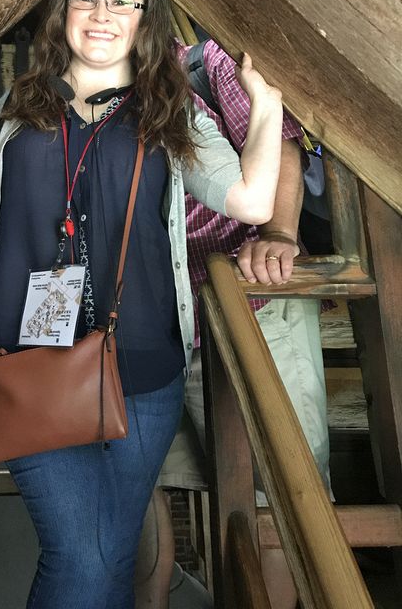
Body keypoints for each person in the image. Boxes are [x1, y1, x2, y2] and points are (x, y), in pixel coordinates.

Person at [0, 0, 283, 609]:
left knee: (110, 555)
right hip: (30, 364)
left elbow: (252, 202)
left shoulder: (173, 113)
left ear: (145, 18)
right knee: (82, 556)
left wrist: (267, 109)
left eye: (122, 0)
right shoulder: (19, 107)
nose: (102, 13)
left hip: (144, 372)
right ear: (63, 12)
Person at [135, 39, 331, 609]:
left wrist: (278, 235)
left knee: (284, 494)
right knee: (135, 493)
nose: (106, 14)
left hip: (254, 303)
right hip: (154, 325)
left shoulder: (205, 63)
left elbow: (283, 144)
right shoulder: (80, 93)